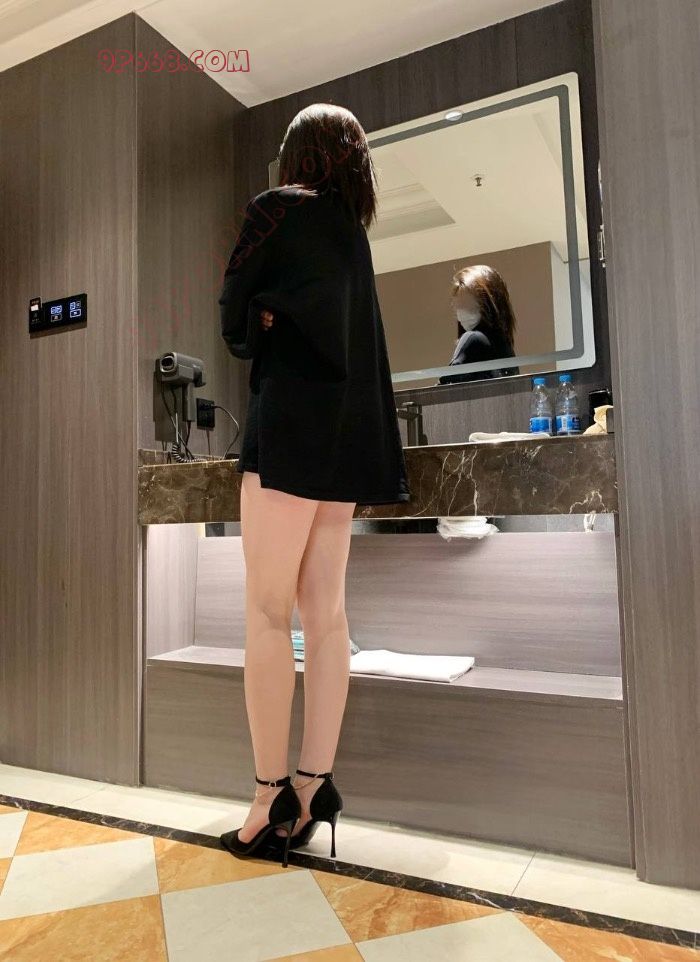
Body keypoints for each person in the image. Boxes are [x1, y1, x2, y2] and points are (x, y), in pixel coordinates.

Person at [217, 103, 410, 867]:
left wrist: (262, 318)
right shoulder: (353, 236)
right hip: (347, 437)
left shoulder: (275, 209)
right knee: (325, 617)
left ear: (296, 155)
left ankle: (266, 800)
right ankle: (313, 784)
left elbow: (233, 317)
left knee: (267, 612)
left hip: (292, 425)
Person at [438, 264, 520, 384]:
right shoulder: (507, 349)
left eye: (468, 305)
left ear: (488, 304)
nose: (460, 313)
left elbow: (444, 388)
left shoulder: (473, 339)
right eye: (458, 306)